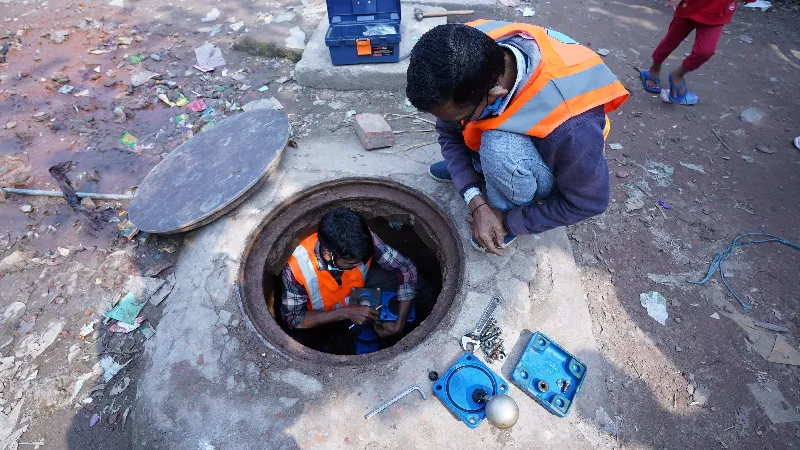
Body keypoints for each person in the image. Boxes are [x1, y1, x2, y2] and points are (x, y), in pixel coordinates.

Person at [406, 21, 629, 255]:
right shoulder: (465, 50)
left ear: (495, 94)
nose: (447, 123)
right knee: (479, 135)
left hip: (554, 160)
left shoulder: (572, 126)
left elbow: (588, 202)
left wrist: (510, 219)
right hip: (504, 121)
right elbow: (449, 132)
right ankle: (476, 166)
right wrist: (474, 198)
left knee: (498, 148)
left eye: (455, 118)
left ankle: (503, 209)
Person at [280, 207, 426, 353]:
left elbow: (406, 268)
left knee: (415, 282)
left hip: (358, 289)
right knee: (297, 345)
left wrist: (399, 323)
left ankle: (425, 307)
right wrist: (346, 313)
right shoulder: (296, 268)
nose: (359, 264)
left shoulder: (362, 239)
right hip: (321, 315)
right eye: (352, 263)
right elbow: (293, 319)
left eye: (362, 259)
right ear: (328, 254)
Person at [641, 0, 755, 105]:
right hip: (690, 6)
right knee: (670, 41)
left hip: (717, 13)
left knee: (705, 52)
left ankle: (678, 74)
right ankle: (655, 66)